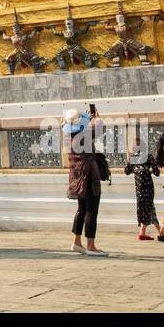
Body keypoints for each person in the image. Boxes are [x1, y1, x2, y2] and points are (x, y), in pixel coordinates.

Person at [63, 109, 106, 256]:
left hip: (76, 177)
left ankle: (76, 241)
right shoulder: (84, 136)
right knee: (91, 210)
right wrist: (96, 118)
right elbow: (99, 129)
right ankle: (91, 245)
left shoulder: (68, 137)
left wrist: (87, 119)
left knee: (81, 209)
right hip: (88, 177)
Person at [124, 136, 161, 240]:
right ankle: (144, 233)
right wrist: (147, 170)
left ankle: (159, 230)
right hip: (148, 187)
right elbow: (157, 172)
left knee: (146, 207)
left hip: (138, 189)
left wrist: (135, 168)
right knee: (148, 207)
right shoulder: (148, 156)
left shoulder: (132, 158)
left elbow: (126, 171)